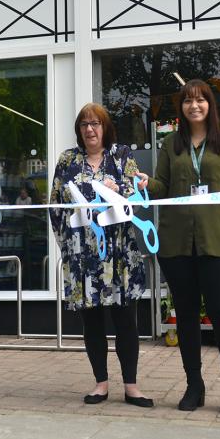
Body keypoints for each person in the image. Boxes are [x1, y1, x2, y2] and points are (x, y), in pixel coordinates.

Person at [142, 79, 220, 414]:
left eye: (200, 100)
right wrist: (147, 183)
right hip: (176, 243)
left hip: (219, 242)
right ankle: (195, 386)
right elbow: (161, 188)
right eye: (188, 101)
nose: (194, 106)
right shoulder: (170, 144)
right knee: (186, 316)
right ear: (181, 108)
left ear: (210, 104)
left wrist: (219, 214)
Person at [49, 103, 153, 407]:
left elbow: (136, 194)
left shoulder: (121, 155)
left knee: (126, 322)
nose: (90, 130)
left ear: (105, 127)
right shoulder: (68, 159)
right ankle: (101, 384)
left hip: (120, 254)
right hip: (83, 255)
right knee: (91, 323)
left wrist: (119, 186)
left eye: (95, 124)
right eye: (84, 125)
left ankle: (132, 387)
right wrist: (66, 246)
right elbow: (55, 204)